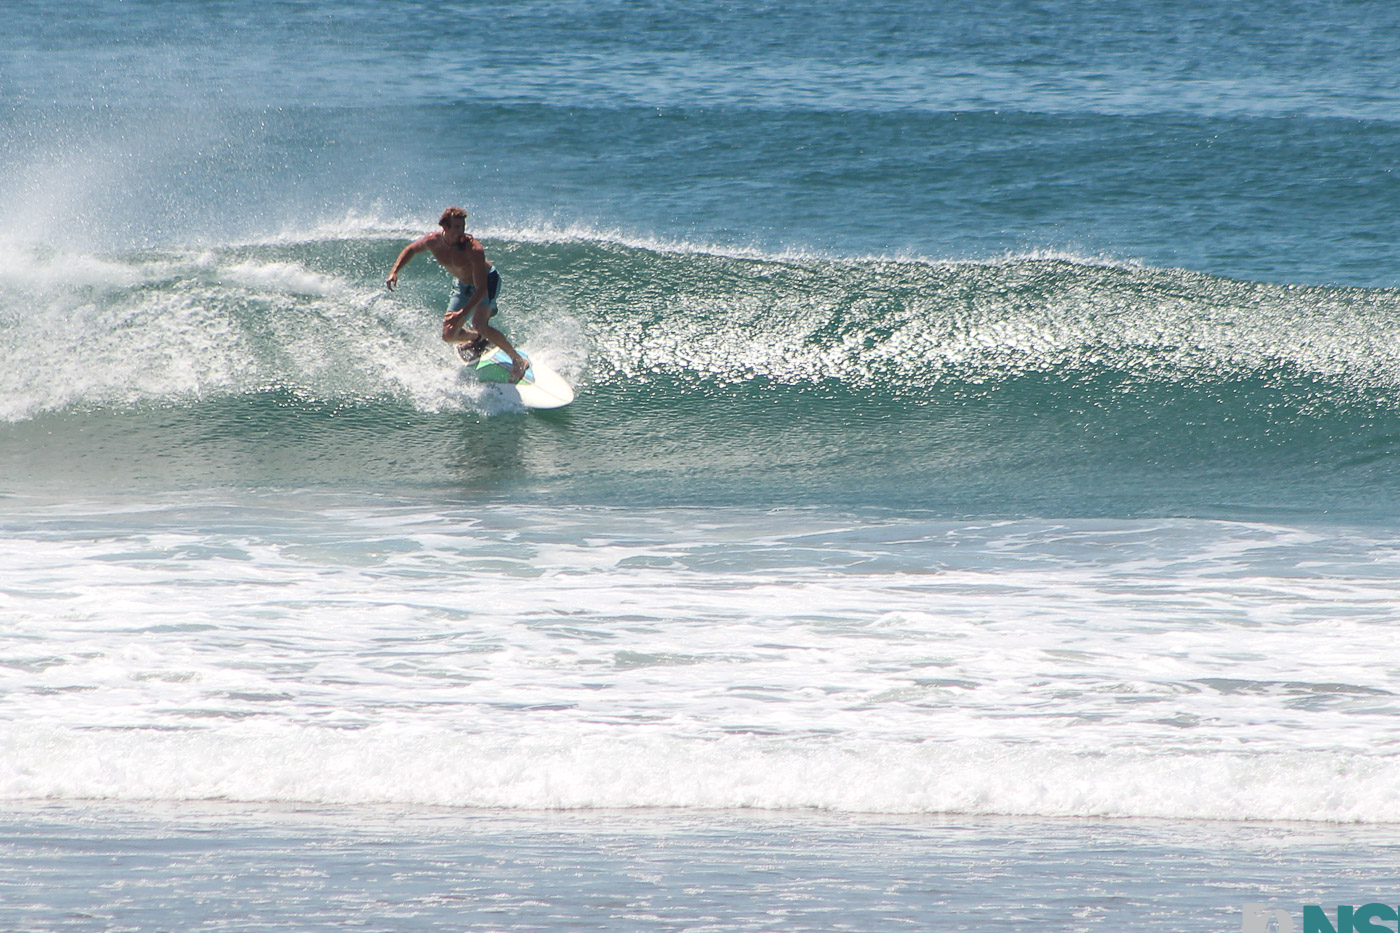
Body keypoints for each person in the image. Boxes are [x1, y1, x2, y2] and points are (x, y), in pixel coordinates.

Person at [385, 206, 528, 383]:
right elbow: (411, 249)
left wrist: (463, 312)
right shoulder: (433, 241)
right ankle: (477, 338)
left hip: (486, 281)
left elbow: (481, 289)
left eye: (463, 226)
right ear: (445, 227)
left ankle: (518, 360)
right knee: (449, 334)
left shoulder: (473, 248)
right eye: (456, 227)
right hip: (461, 284)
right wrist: (395, 271)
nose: (461, 232)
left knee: (480, 323)